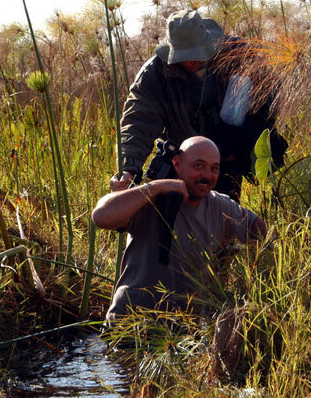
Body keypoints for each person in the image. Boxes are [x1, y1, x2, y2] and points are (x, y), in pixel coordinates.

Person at [110, 9, 288, 200]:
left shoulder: (238, 56)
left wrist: (241, 141)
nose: (190, 61)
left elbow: (271, 96)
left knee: (224, 213)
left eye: (196, 53)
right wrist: (128, 168)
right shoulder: (154, 75)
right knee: (171, 206)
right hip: (183, 155)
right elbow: (138, 123)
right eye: (183, 55)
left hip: (230, 155)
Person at [93, 136, 266, 321]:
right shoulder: (151, 198)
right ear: (177, 163)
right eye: (198, 166)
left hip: (183, 331)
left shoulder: (219, 205)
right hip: (130, 327)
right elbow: (101, 216)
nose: (207, 176)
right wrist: (158, 186)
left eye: (214, 168)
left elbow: (258, 230)